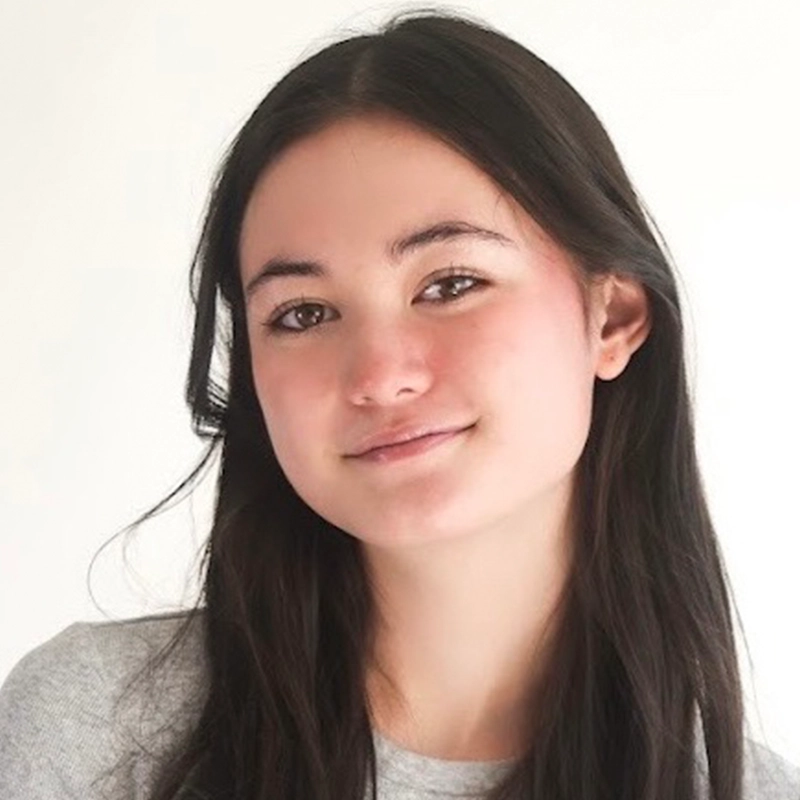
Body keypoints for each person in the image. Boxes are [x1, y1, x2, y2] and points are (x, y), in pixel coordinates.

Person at [0, 8, 798, 800]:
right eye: (303, 314)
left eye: (451, 284)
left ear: (612, 317)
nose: (380, 375)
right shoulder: (94, 735)